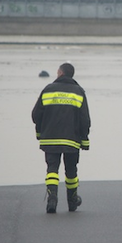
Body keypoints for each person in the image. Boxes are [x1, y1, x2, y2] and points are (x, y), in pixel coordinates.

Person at [32, 63, 91, 213]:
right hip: (72, 139)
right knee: (71, 171)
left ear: (60, 73)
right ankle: (72, 201)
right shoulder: (79, 92)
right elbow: (85, 119)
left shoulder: (48, 89)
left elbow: (35, 115)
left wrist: (40, 133)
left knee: (52, 169)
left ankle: (52, 200)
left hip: (50, 139)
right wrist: (84, 140)